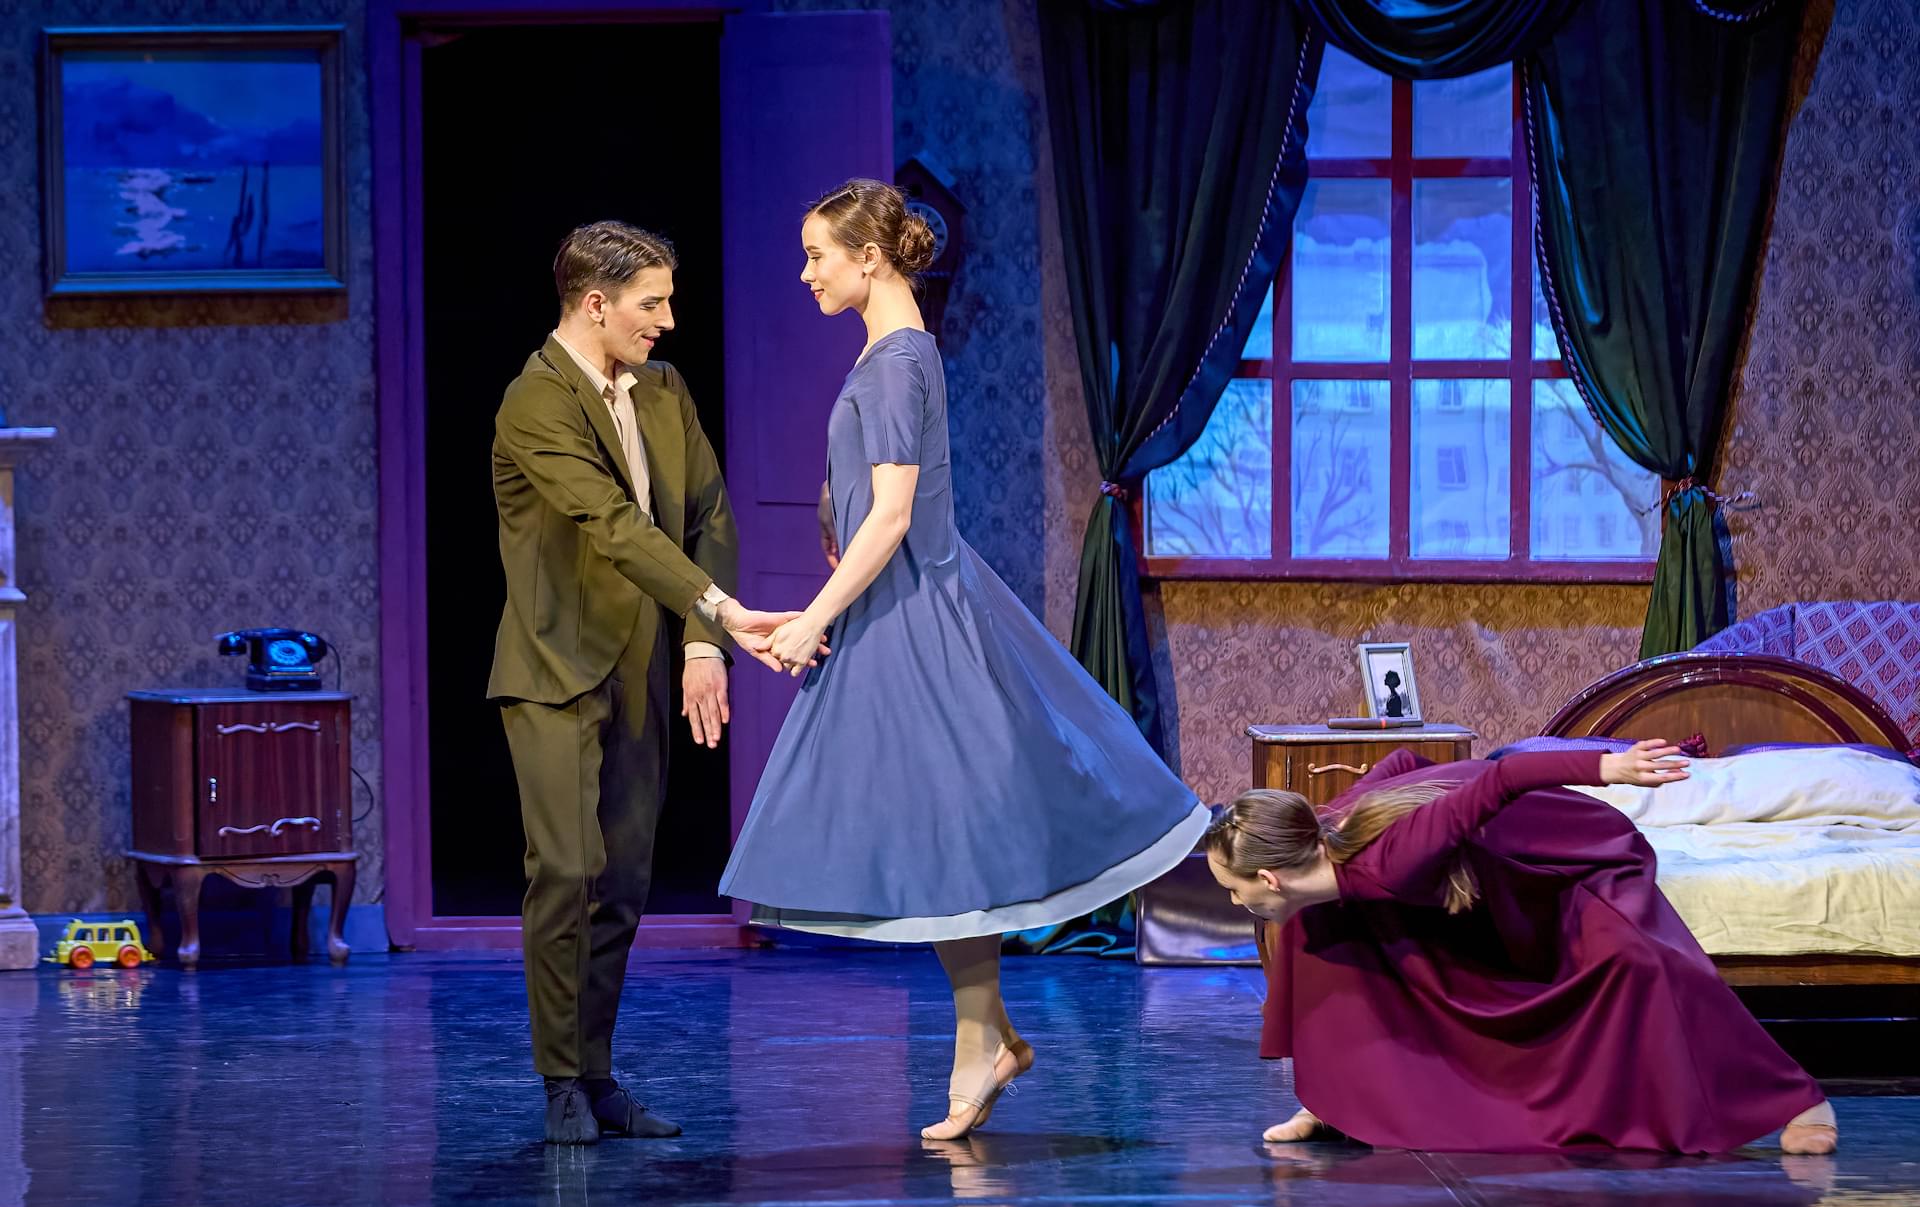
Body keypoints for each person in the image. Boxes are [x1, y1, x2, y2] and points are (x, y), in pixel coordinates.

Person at [718, 179, 1211, 1141]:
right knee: (941, 831)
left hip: (918, 616)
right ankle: (986, 1038)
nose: (806, 273)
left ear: (869, 258)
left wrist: (814, 618)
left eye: (818, 254)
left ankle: (982, 1042)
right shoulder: (895, 352)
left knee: (952, 827)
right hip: (901, 609)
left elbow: (894, 515)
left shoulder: (898, 360)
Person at [489, 221, 805, 1144]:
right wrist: (725, 610)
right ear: (596, 304)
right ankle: (558, 1080)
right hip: (553, 667)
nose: (667, 321)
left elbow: (709, 516)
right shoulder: (534, 401)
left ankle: (596, 1076)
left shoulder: (664, 391)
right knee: (566, 870)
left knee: (622, 881)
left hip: (641, 666)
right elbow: (614, 524)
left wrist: (703, 644)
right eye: (651, 303)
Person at [1203, 739, 1839, 1155]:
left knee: (1645, 963)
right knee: (1319, 930)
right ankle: (1330, 1102)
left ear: (1270, 878)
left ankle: (1799, 1098)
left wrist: (1610, 768)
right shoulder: (1326, 838)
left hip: (1566, 852)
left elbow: (1505, 776)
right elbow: (1400, 762)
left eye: (1235, 890)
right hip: (1487, 872)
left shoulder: (1396, 858)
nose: (1235, 904)